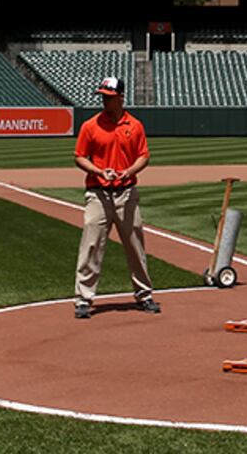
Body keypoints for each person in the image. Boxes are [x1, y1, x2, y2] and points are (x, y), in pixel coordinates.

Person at [73, 77, 159, 319]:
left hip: (126, 193)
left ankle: (144, 294)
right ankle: (83, 299)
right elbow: (79, 157)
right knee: (91, 245)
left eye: (109, 96)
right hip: (98, 194)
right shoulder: (91, 125)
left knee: (135, 245)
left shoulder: (135, 125)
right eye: (103, 95)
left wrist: (129, 171)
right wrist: (99, 171)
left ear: (121, 97)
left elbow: (144, 156)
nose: (104, 100)